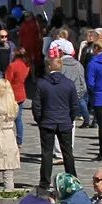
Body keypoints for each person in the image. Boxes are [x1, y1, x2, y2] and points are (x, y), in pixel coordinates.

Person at [33, 54, 78, 187]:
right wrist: (70, 118)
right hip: (64, 121)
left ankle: (45, 181)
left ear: (48, 67)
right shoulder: (69, 84)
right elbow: (74, 104)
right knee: (67, 153)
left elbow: (36, 105)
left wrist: (39, 120)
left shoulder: (42, 83)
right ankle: (72, 179)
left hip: (47, 121)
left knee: (46, 153)